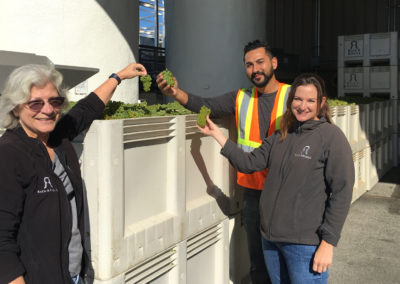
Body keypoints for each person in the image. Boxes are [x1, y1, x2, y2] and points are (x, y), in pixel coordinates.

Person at [197, 73, 355, 284]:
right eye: (298, 99)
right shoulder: (282, 134)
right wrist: (217, 135)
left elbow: (342, 193)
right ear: (291, 101)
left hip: (304, 245)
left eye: (310, 100)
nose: (302, 105)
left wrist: (328, 244)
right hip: (271, 240)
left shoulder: (331, 137)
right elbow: (249, 163)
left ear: (321, 103)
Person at [157, 40, 290, 284]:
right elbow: (206, 105)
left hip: (285, 192)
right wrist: (175, 93)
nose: (255, 69)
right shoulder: (241, 98)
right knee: (258, 263)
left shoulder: (293, 96)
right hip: (251, 192)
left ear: (274, 63)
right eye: (249, 65)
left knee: (286, 261)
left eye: (260, 62)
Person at [0, 62, 147, 284]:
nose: (47, 110)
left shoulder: (58, 138)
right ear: (15, 107)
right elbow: (2, 242)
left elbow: (87, 108)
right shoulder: (9, 155)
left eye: (54, 101)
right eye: (35, 103)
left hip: (73, 275)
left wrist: (118, 77)